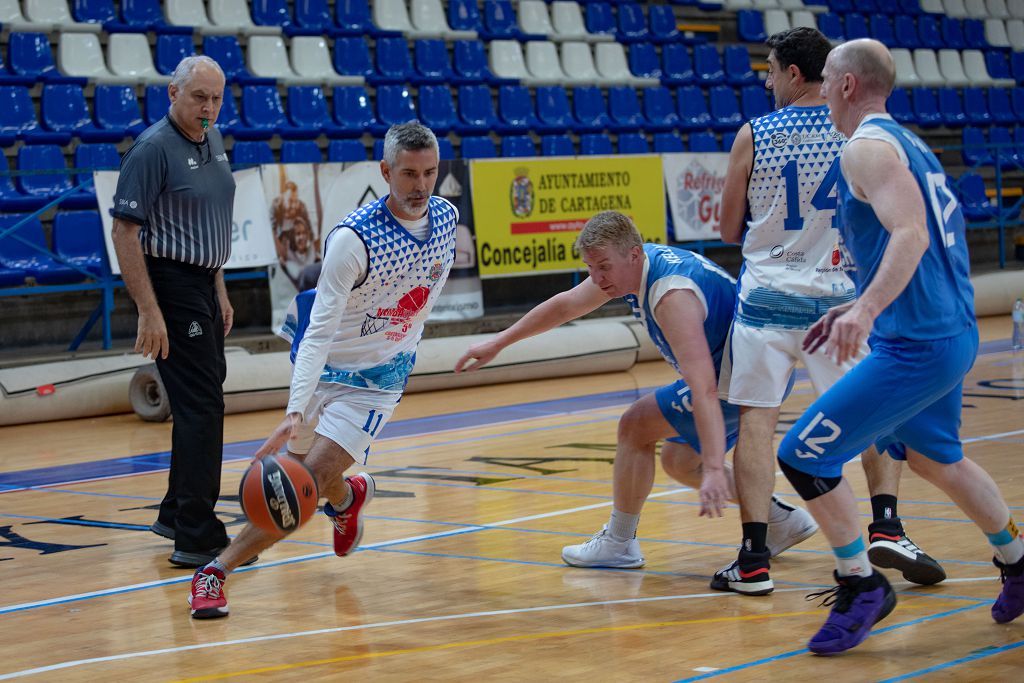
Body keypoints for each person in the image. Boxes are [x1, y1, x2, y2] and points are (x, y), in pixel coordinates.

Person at [777, 38, 1024, 655]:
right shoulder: (908, 141)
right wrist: (858, 299)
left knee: (804, 456)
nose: (823, 91)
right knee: (938, 459)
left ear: (849, 86)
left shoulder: (864, 146)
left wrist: (866, 307)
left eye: (828, 80)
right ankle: (1018, 564)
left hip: (915, 344)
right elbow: (923, 241)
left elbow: (911, 234)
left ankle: (861, 585)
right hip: (950, 330)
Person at [187, 122, 459, 618]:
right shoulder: (354, 241)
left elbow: (417, 303)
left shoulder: (446, 218)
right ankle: (349, 498)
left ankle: (214, 573)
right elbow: (318, 333)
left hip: (377, 384)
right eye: (409, 174)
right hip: (323, 363)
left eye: (430, 173)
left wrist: (397, 346)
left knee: (300, 486)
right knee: (322, 480)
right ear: (385, 172)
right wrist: (295, 411)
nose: (421, 186)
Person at [713, 27, 943, 596]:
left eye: (769, 70)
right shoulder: (857, 133)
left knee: (758, 423)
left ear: (794, 73)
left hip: (766, 298)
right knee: (871, 417)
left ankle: (754, 559)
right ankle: (887, 524)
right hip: (841, 303)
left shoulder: (754, 133)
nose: (766, 81)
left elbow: (723, 227)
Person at [456, 211, 816, 570]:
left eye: (603, 267)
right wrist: (498, 343)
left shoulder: (671, 296)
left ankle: (619, 541)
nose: (597, 278)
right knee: (677, 462)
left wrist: (713, 469)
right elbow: (566, 305)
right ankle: (780, 520)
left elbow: (703, 388)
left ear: (633, 254)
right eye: (591, 268)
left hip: (738, 379)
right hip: (751, 369)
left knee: (635, 425)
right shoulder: (642, 263)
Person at [110, 55, 240, 568]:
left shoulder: (212, 137)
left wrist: (220, 288)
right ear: (172, 93)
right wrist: (149, 309)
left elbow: (209, 220)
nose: (208, 108)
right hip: (169, 284)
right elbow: (125, 233)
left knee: (202, 399)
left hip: (203, 285)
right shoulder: (151, 149)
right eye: (198, 98)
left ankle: (173, 511)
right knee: (202, 407)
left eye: (216, 98)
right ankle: (196, 534)